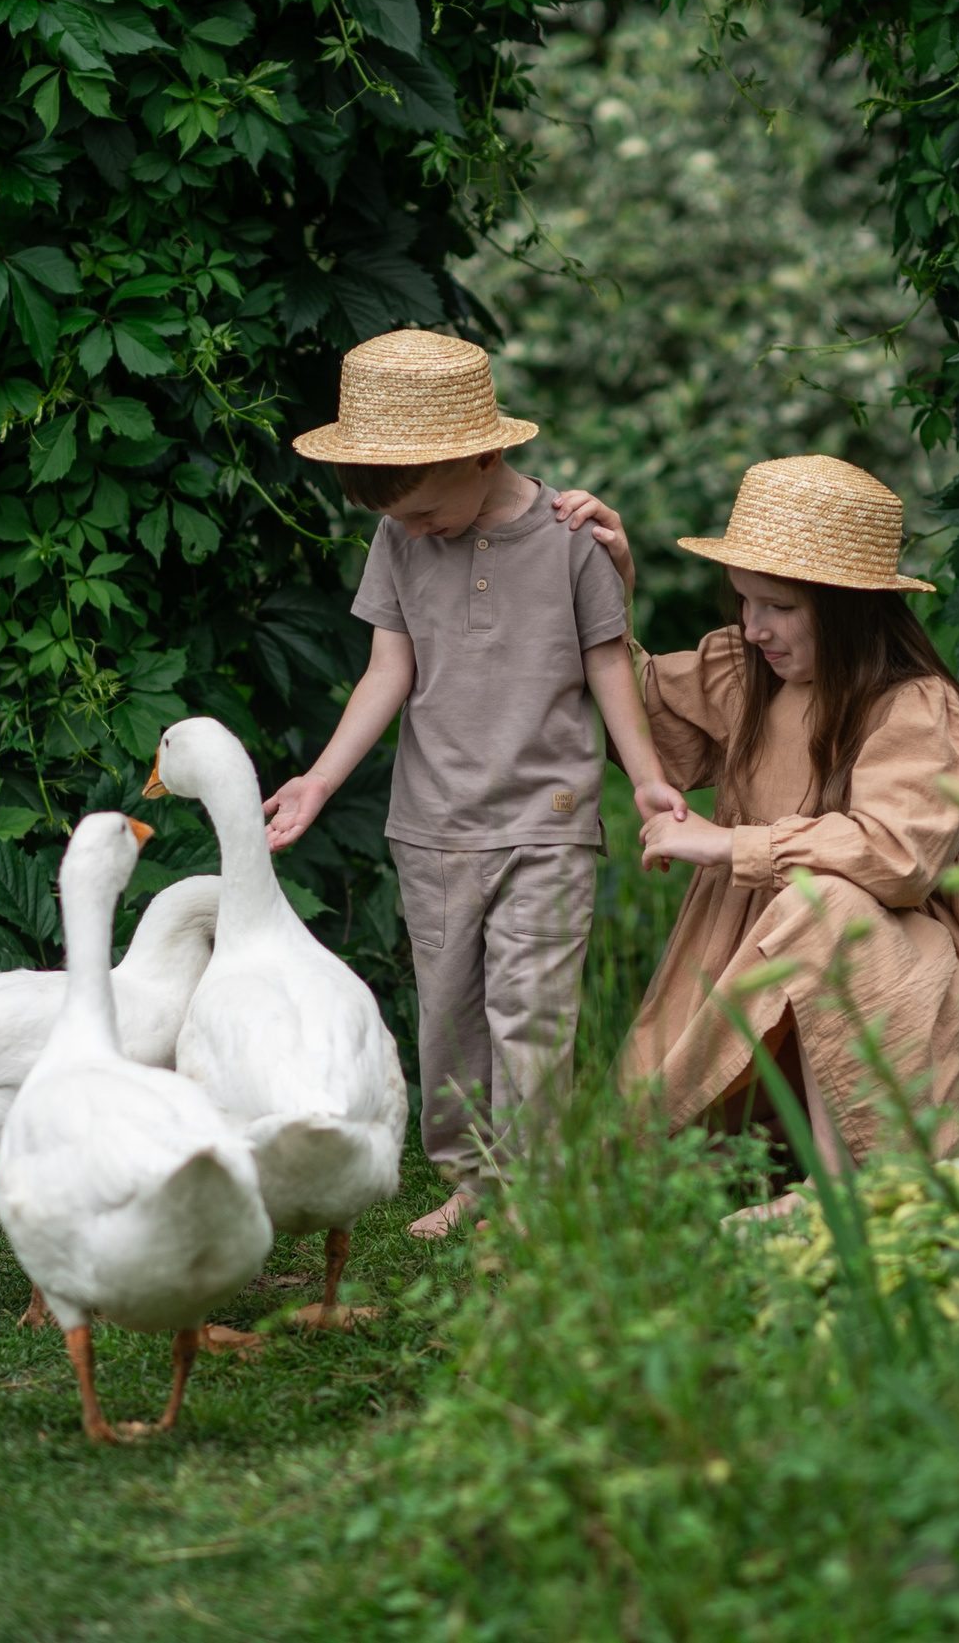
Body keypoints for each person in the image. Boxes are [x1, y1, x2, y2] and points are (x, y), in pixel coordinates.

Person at [267, 329, 683, 1240]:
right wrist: (319, 782)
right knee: (450, 1016)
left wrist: (648, 781)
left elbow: (610, 664)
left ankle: (532, 1191)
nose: (416, 532)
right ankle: (473, 1181)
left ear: (486, 453)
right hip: (434, 824)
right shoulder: (398, 533)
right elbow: (387, 670)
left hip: (549, 817)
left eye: (426, 514)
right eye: (402, 521)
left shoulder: (572, 540)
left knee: (532, 1008)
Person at [559, 455, 959, 1218]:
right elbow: (648, 718)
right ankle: (783, 1154)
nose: (754, 628)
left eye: (778, 607)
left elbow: (896, 856)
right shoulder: (748, 673)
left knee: (825, 908)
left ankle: (840, 1184)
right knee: (634, 1152)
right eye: (747, 602)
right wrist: (613, 588)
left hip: (885, 965)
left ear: (849, 608)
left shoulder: (918, 708)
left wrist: (734, 846)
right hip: (745, 953)